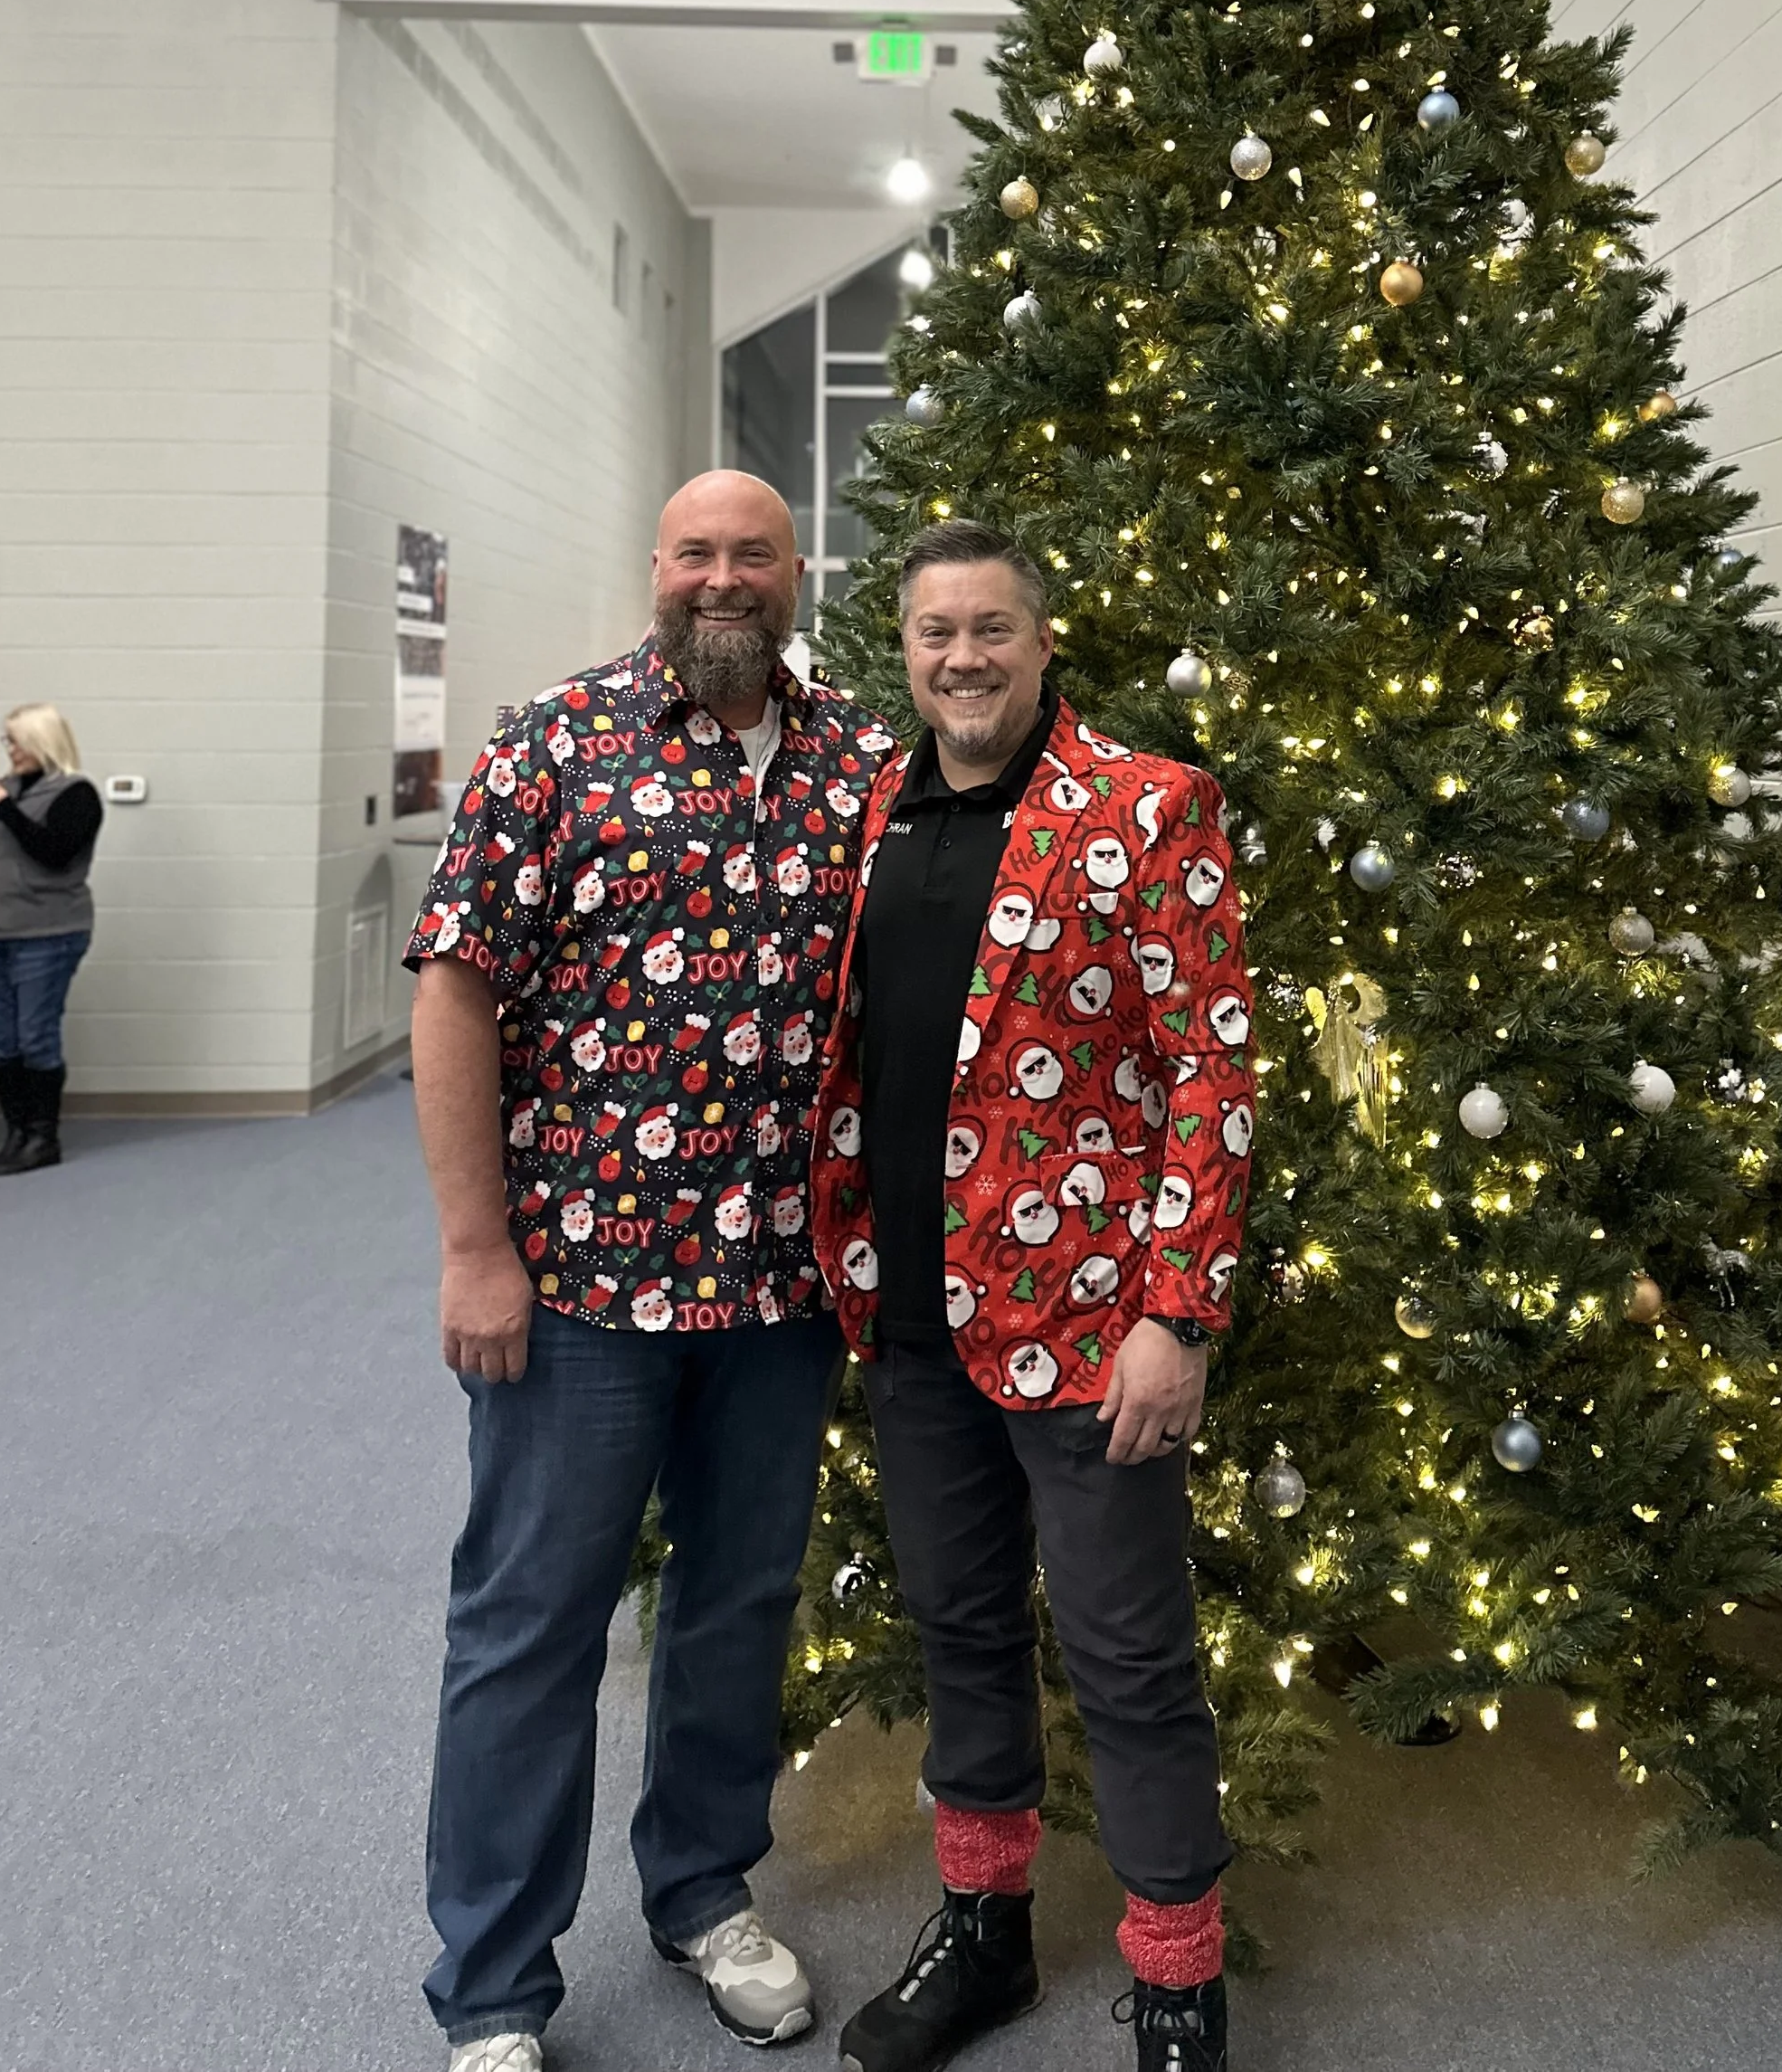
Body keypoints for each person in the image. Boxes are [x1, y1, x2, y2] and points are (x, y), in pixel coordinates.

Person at [405, 471, 896, 2072]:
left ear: (796, 569)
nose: (726, 578)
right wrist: (476, 1247)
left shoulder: (859, 763)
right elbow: (459, 997)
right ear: (658, 571)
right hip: (580, 1288)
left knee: (738, 1608)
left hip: (779, 1292)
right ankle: (492, 1985)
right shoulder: (551, 746)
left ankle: (701, 1887)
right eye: (699, 552)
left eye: (754, 551)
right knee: (531, 1621)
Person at [812, 520, 1253, 2072]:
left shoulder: (1146, 806)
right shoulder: (871, 811)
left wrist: (1176, 1313)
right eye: (937, 632)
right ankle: (986, 1934)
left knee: (1132, 1658)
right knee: (962, 1627)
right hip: (917, 1320)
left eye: (991, 627)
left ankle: (1180, 1984)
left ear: (1043, 639)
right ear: (908, 649)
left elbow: (1211, 1069)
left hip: (1095, 1328)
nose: (963, 657)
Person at [0, 702, 102, 1175]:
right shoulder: (1, 790)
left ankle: (43, 1138)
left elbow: (54, 853)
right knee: (0, 1041)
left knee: (35, 1038)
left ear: (43, 741)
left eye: (18, 741)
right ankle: (17, 1134)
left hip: (49, 934)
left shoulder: (75, 795)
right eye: (7, 741)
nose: (10, 750)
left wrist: (5, 811)